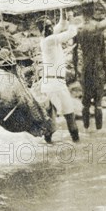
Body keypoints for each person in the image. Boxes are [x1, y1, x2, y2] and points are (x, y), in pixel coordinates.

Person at [39, 9, 79, 144]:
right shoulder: (49, 40)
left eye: (50, 25)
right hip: (56, 84)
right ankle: (77, 142)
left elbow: (61, 24)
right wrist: (72, 16)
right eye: (47, 26)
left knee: (50, 117)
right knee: (69, 115)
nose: (50, 28)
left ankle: (48, 145)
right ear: (42, 30)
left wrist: (63, 10)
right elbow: (72, 32)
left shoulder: (47, 38)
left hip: (49, 83)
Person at [75, 0, 106, 130]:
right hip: (98, 67)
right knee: (98, 104)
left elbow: (74, 53)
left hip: (85, 68)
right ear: (93, 11)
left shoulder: (78, 29)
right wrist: (101, 1)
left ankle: (86, 131)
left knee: (85, 104)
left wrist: (76, 70)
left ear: (82, 12)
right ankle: (99, 132)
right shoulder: (98, 27)